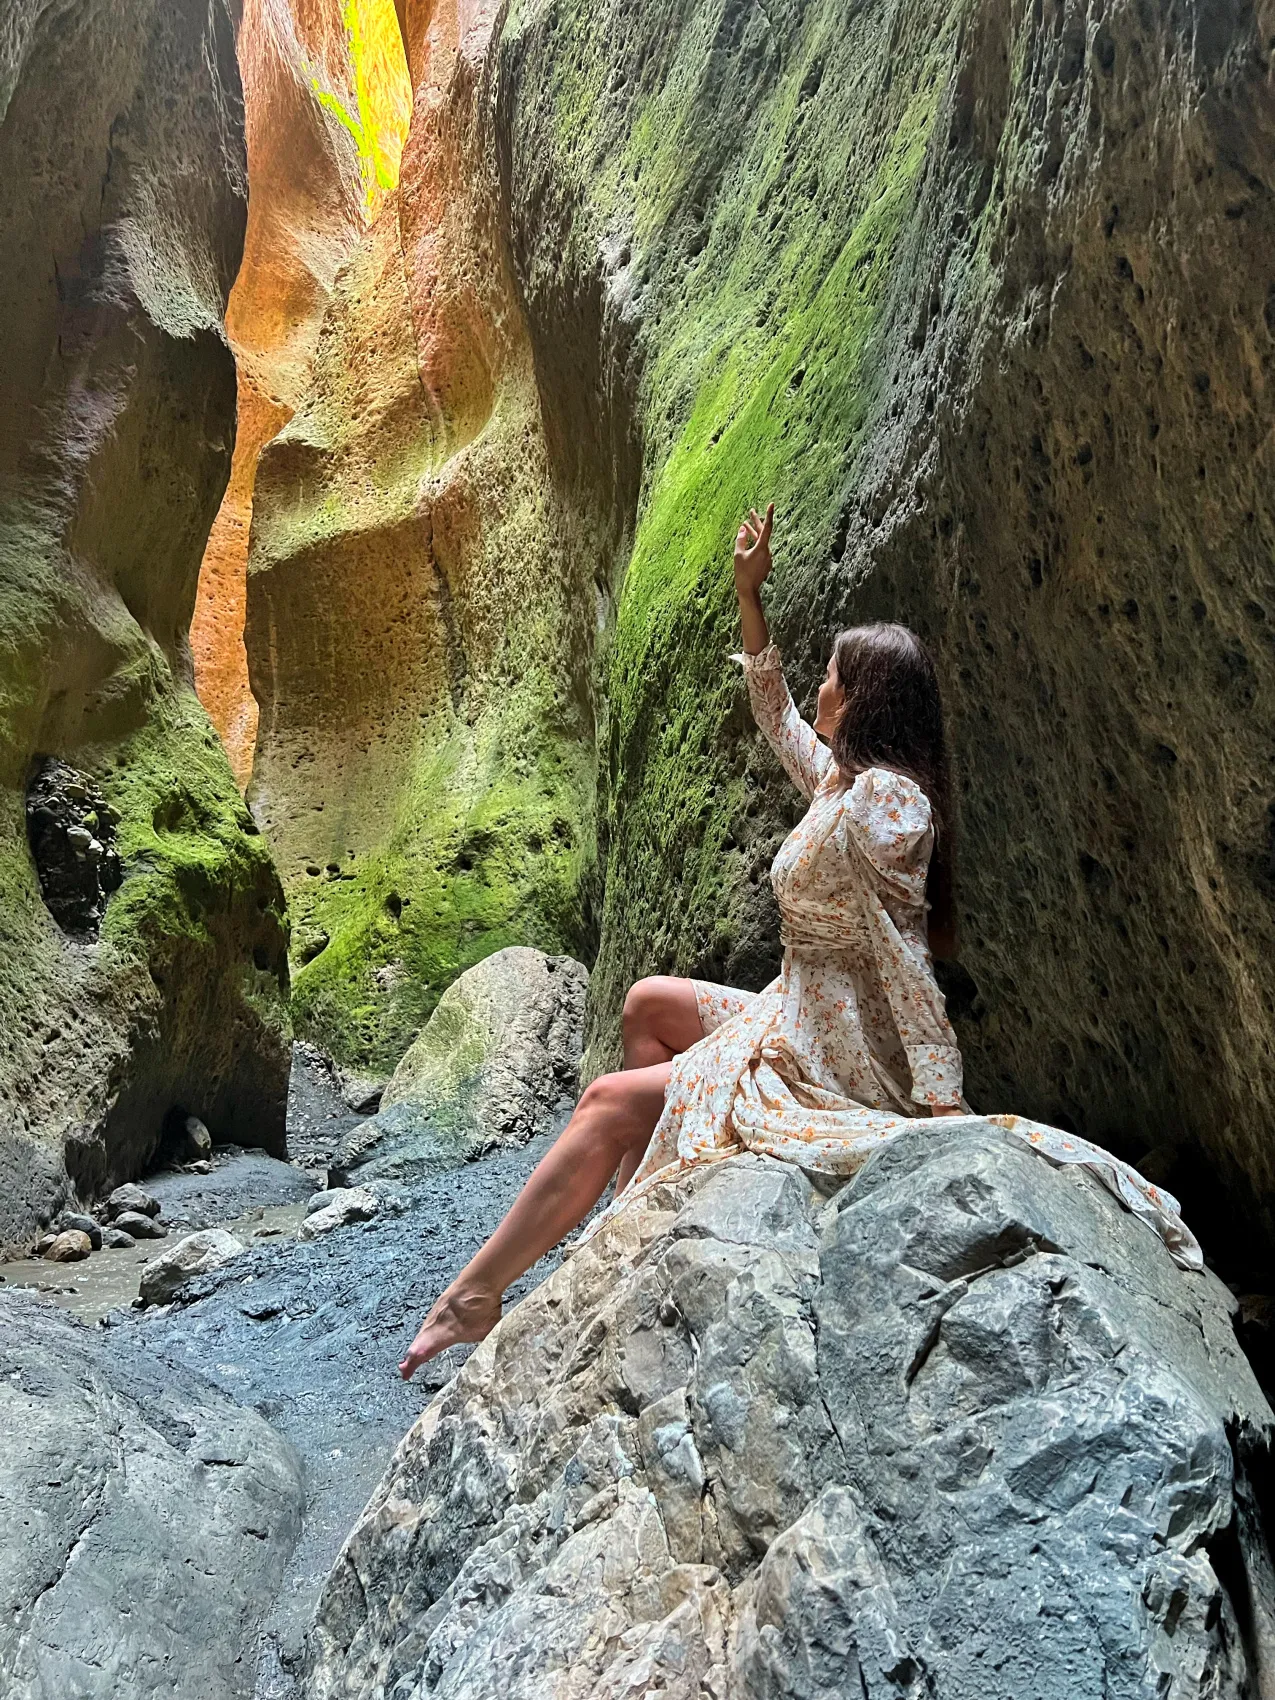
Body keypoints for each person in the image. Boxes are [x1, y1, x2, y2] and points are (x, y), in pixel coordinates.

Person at [400, 505, 1198, 1379]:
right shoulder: (841, 785)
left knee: (604, 1101)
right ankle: (632, 1209)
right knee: (648, 1003)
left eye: (831, 675)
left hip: (839, 1049)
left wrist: (941, 1106)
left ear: (860, 699)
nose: (819, 686)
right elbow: (774, 713)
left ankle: (474, 1293)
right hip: (798, 1005)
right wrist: (750, 597)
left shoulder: (885, 802)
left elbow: (902, 952)